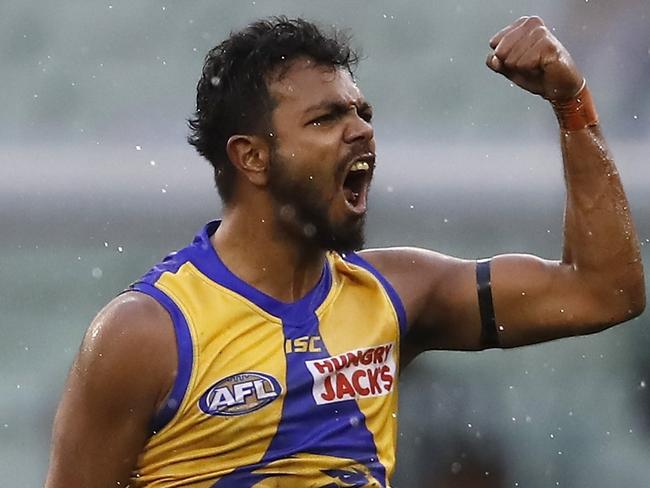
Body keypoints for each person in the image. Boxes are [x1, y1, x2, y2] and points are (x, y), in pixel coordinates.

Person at [45, 15, 645, 488]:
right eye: (327, 118)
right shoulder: (146, 334)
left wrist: (572, 105)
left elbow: (604, 291)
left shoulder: (397, 293)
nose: (361, 130)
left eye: (363, 112)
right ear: (251, 156)